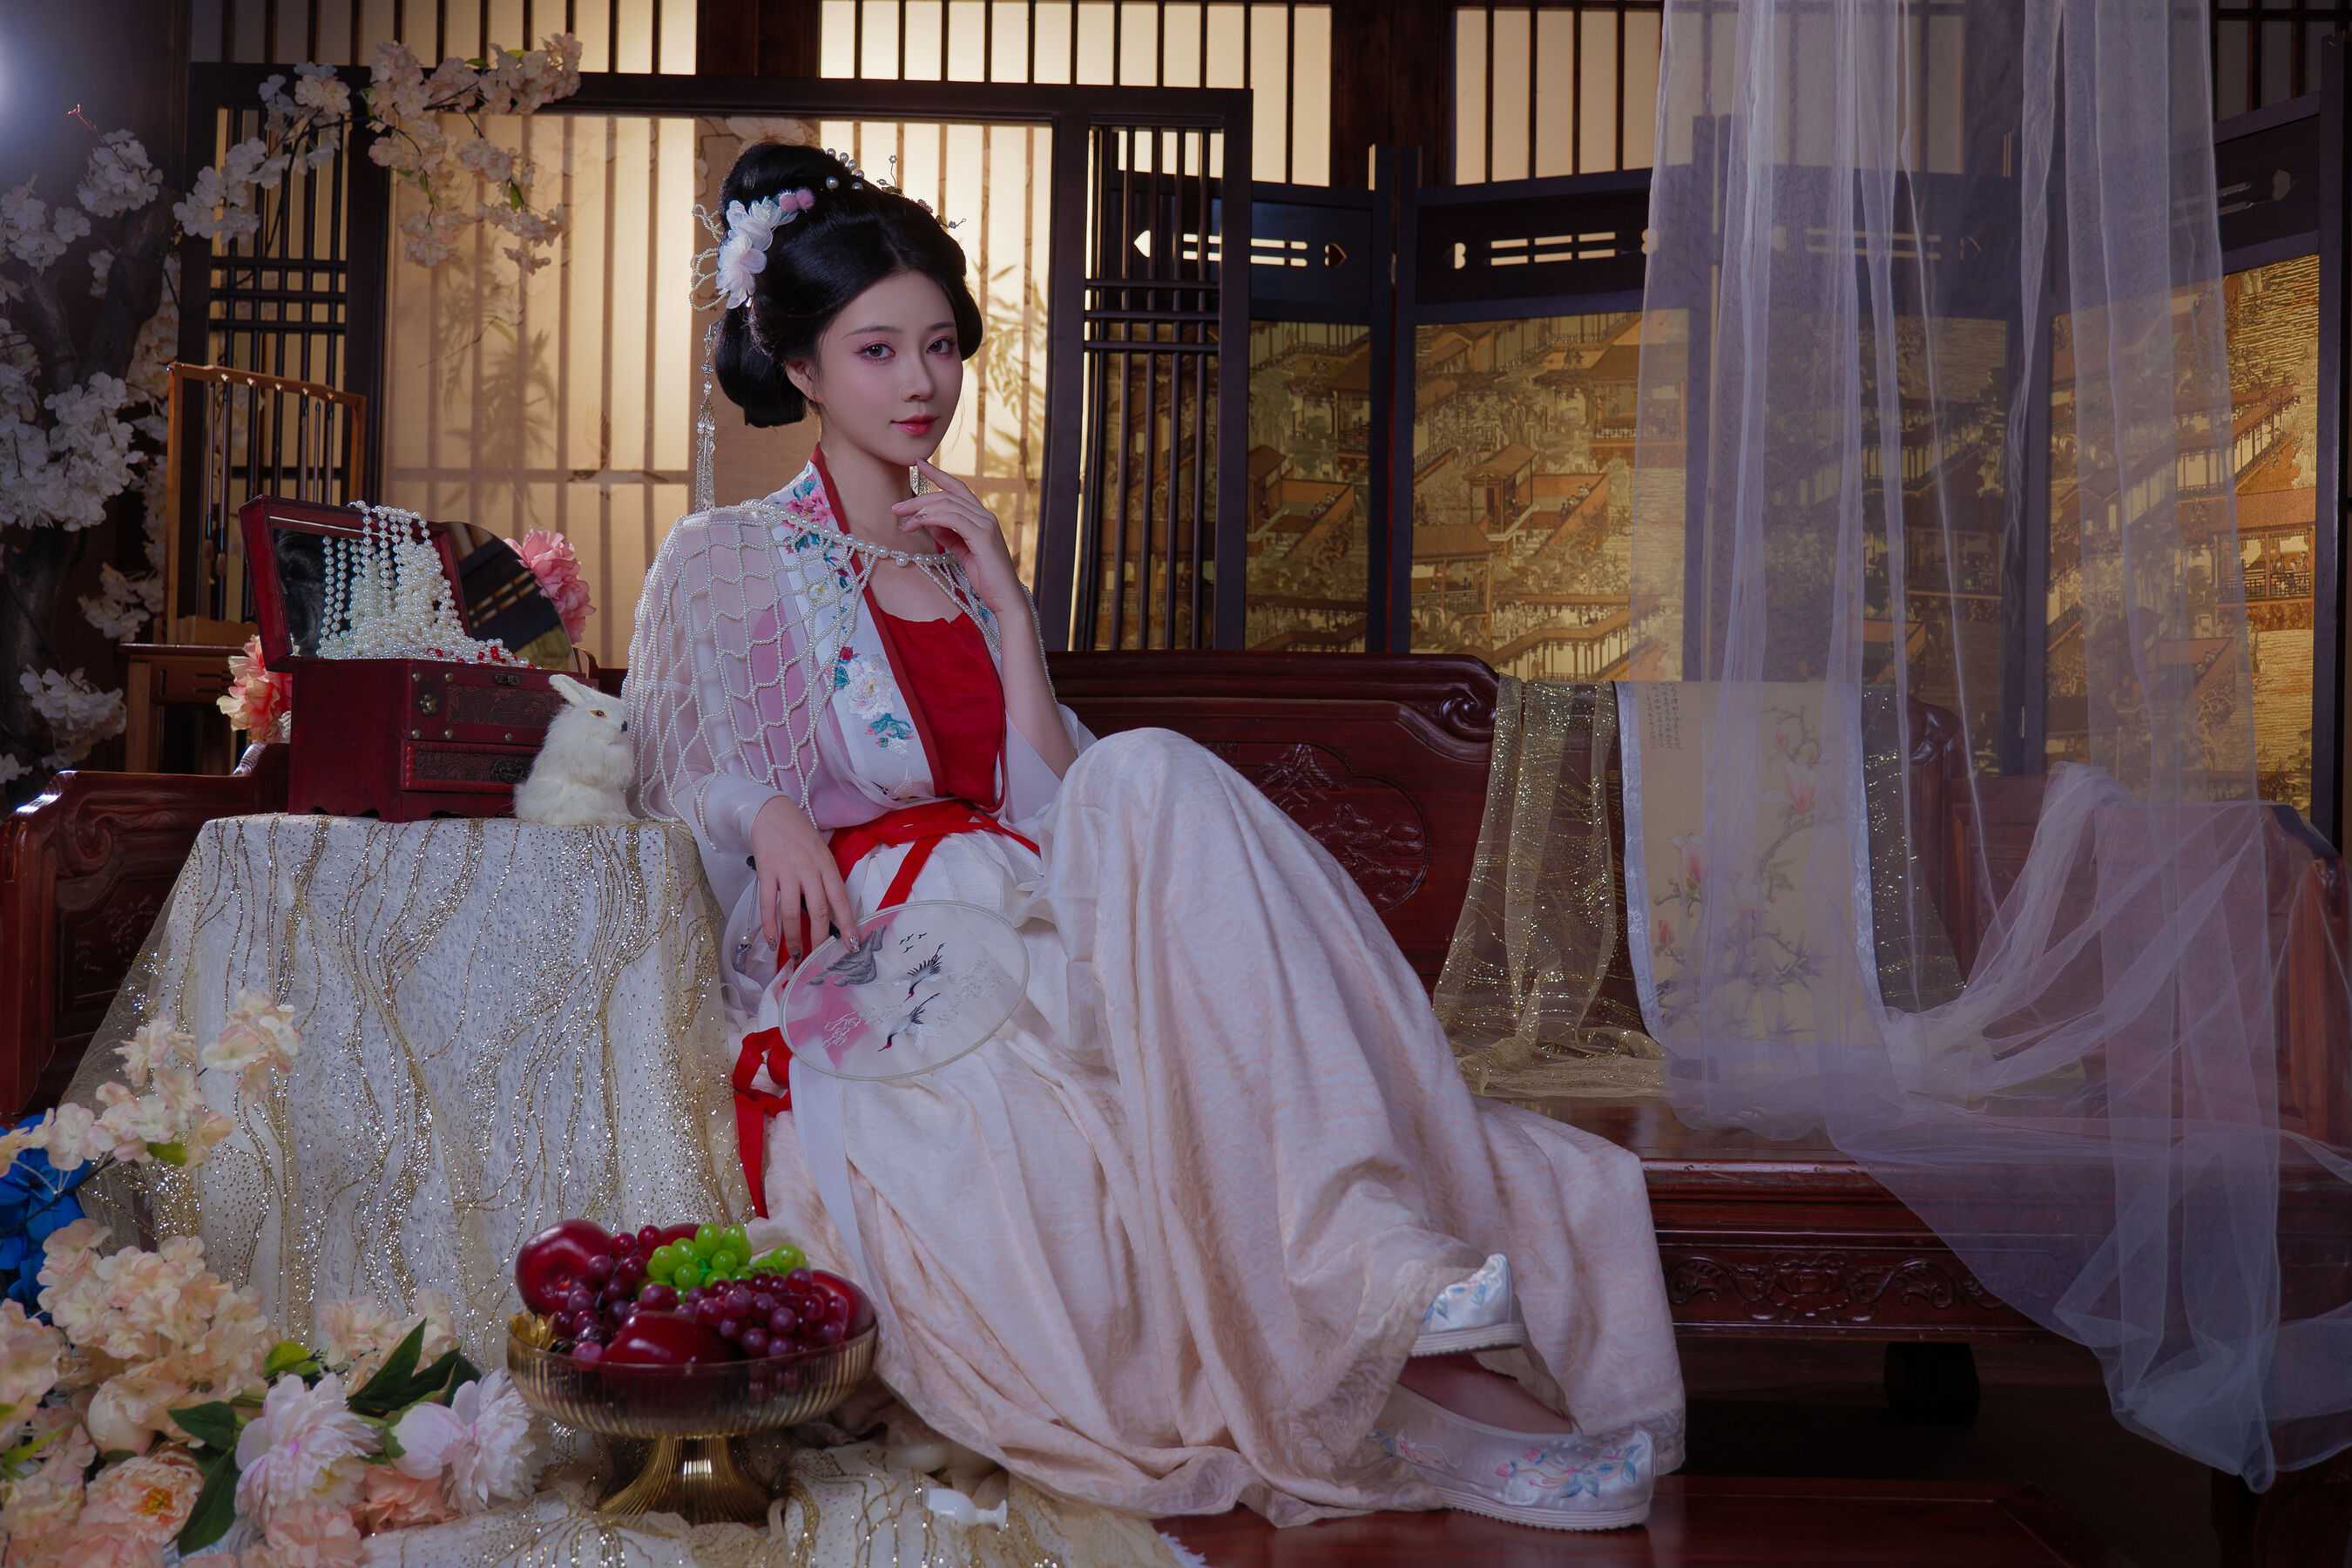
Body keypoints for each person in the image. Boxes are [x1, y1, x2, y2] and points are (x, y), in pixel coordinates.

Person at [626, 142, 1683, 1532]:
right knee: (1123, 1057)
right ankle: (1410, 1361)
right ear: (803, 369)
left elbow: (1054, 802)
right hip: (895, 943)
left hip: (1036, 889)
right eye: (877, 351)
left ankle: (1374, 1263)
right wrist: (765, 809)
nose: (922, 382)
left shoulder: (966, 553)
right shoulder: (726, 555)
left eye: (940, 345)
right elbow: (673, 766)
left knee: (1147, 773)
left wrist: (1008, 608)